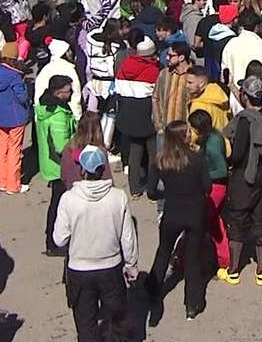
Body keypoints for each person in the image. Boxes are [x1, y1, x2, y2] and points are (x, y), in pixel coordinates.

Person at [54, 145, 139, 341]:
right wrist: (131, 266)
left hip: (79, 270)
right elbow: (128, 237)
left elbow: (59, 238)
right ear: (102, 170)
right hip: (111, 268)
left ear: (81, 170)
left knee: (86, 325)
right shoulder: (118, 197)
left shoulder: (68, 199)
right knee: (117, 324)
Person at [145, 120, 211, 322]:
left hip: (172, 212)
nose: (191, 133)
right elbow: (207, 188)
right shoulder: (197, 160)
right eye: (188, 132)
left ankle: (152, 290)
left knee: (164, 251)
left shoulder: (160, 161)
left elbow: (151, 191)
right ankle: (192, 304)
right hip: (195, 213)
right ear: (183, 137)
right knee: (192, 258)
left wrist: (163, 196)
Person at [218, 76, 262, 286]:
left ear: (245, 95)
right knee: (261, 220)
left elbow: (238, 153)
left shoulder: (244, 120)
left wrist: (228, 161)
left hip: (244, 176)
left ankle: (233, 270)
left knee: (237, 219)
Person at [114, 37, 160, 197]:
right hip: (147, 117)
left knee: (135, 152)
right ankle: (152, 189)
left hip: (129, 116)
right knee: (154, 153)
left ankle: (134, 189)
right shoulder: (153, 71)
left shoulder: (123, 67)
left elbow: (118, 91)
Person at [37, 75, 77, 257]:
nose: (72, 94)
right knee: (60, 205)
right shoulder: (59, 114)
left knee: (57, 203)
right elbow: (62, 146)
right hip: (60, 165)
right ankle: (54, 242)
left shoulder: (45, 107)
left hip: (50, 163)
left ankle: (52, 239)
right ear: (59, 92)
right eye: (68, 91)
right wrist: (79, 153)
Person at [190, 109, 230, 271]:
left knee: (200, 223)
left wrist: (203, 173)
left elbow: (222, 170)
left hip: (216, 187)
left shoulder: (212, 146)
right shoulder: (213, 136)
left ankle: (193, 259)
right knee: (215, 223)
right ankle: (224, 259)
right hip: (216, 186)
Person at [0, 53, 31, 195]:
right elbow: (22, 97)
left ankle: (3, 182)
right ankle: (13, 185)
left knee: (2, 149)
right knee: (14, 151)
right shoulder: (15, 76)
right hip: (16, 118)